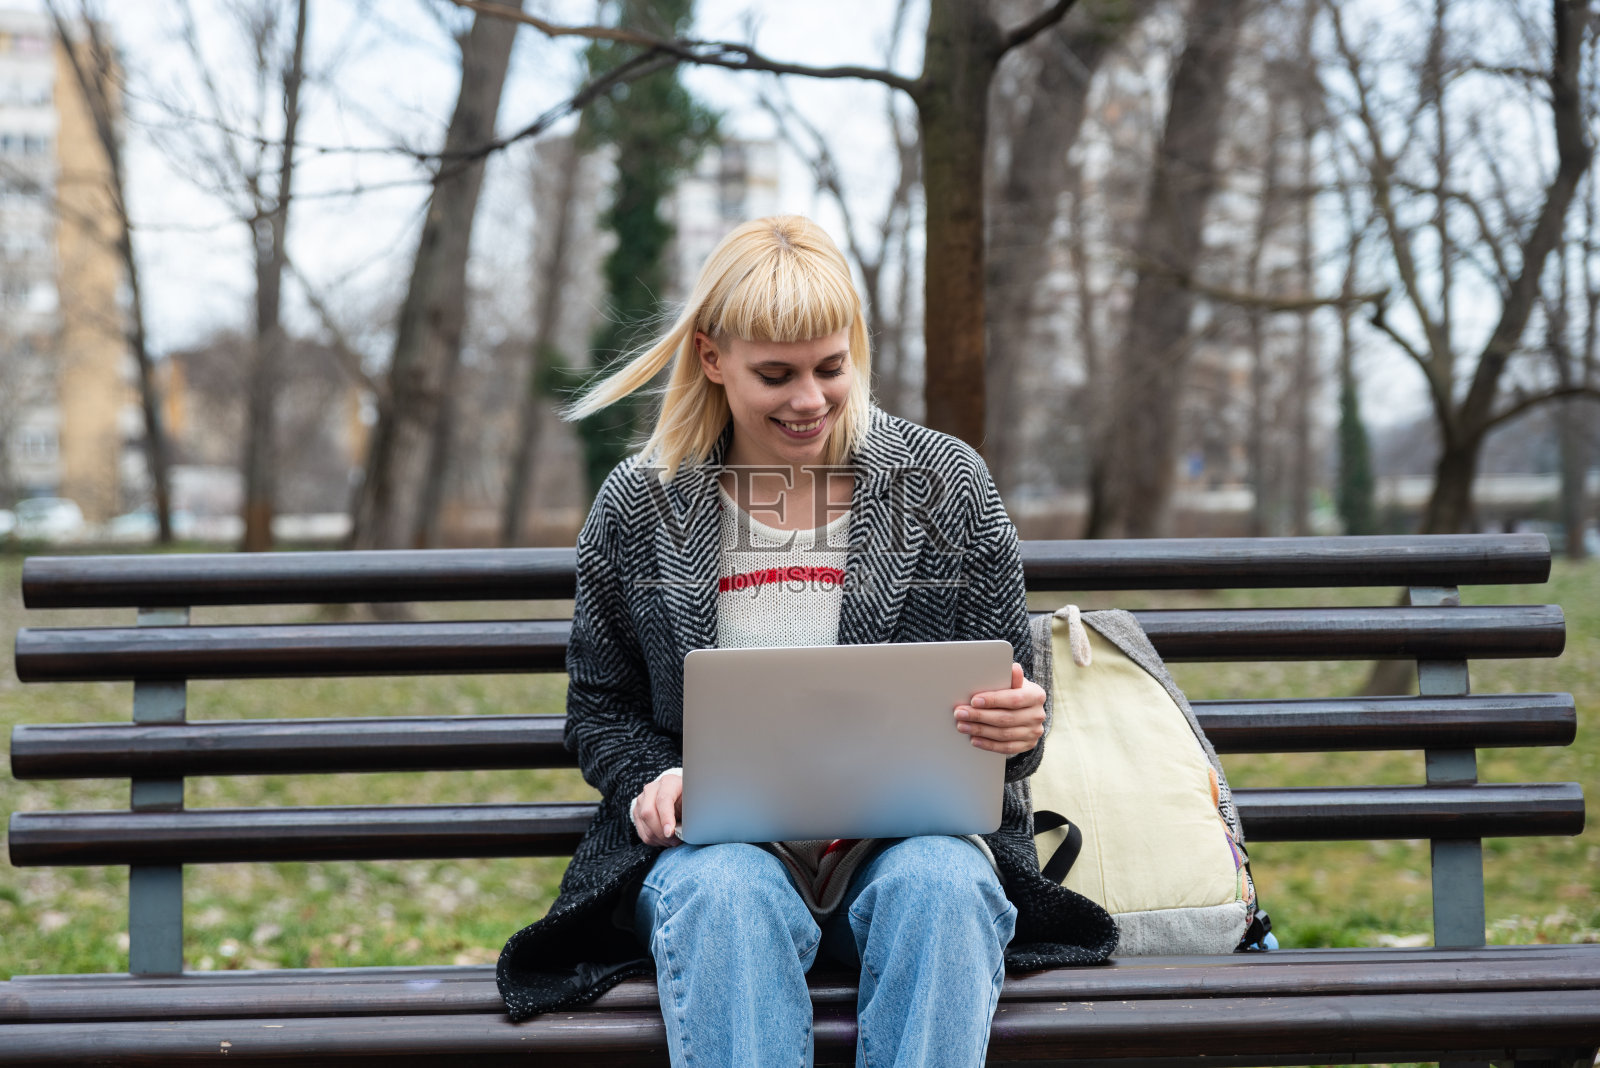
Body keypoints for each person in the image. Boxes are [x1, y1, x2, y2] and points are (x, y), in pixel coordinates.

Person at [497, 216, 1116, 1066]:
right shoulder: (641, 504)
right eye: (775, 375)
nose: (810, 399)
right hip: (716, 858)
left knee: (942, 883)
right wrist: (656, 778)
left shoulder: (945, 487)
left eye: (832, 367)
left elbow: (1013, 718)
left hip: (906, 854)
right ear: (713, 359)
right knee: (726, 891)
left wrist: (1015, 730)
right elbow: (599, 710)